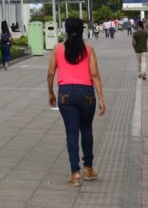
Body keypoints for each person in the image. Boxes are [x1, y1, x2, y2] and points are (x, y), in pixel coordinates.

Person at [47, 17, 106, 186]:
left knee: (72, 133)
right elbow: (94, 74)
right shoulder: (89, 49)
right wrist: (101, 98)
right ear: (82, 30)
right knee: (86, 129)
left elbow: (51, 73)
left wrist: (51, 92)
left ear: (66, 30)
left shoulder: (57, 49)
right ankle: (88, 169)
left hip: (66, 94)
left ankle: (75, 173)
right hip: (87, 94)